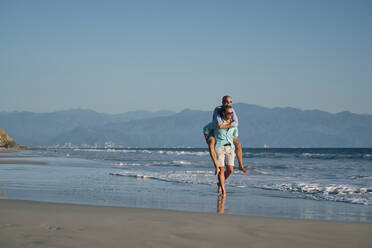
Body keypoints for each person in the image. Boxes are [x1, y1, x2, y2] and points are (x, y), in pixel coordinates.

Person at [203, 105, 240, 196]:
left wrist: (236, 144)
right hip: (219, 147)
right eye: (228, 113)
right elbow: (205, 128)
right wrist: (208, 139)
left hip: (230, 148)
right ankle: (223, 190)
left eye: (232, 113)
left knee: (230, 170)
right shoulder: (216, 123)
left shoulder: (233, 124)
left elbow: (235, 136)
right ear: (223, 113)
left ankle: (220, 183)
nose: (231, 115)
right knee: (221, 169)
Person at [207, 96, 247, 174]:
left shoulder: (232, 110)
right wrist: (229, 125)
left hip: (227, 133)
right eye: (227, 101)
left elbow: (236, 123)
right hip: (216, 132)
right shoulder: (217, 109)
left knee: (238, 144)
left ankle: (240, 165)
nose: (229, 103)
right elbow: (219, 124)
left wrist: (226, 126)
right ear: (222, 102)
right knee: (211, 143)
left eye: (230, 102)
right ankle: (216, 166)